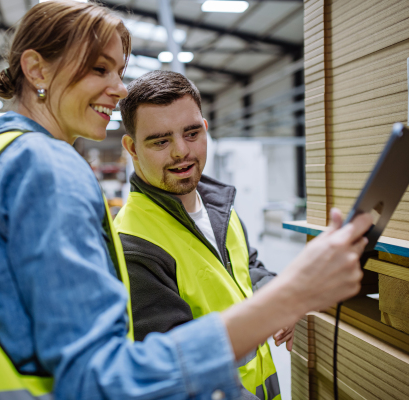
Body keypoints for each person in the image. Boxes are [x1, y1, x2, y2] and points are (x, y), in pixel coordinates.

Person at [0, 1, 373, 400]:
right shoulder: (46, 168)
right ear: (37, 69)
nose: (119, 87)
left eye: (118, 71)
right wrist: (292, 295)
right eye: (99, 69)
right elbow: (98, 380)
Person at [114, 70, 288, 400]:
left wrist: (281, 302)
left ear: (205, 130)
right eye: (161, 141)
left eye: (191, 133)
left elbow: (246, 269)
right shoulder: (134, 243)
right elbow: (177, 377)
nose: (181, 151)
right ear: (132, 148)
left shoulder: (218, 205)